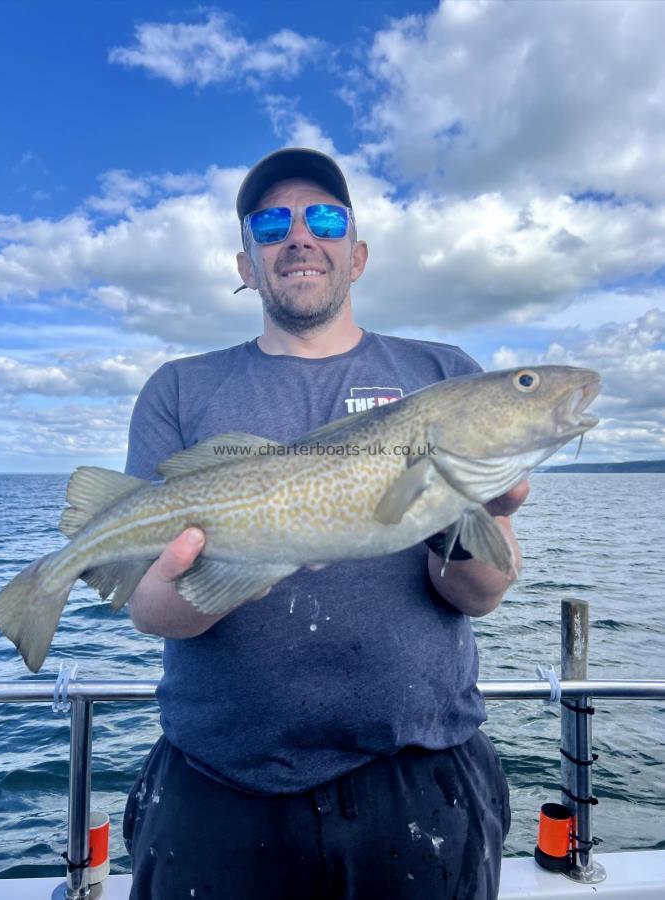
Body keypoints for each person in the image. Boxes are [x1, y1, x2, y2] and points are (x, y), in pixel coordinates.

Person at [122, 147, 529, 899]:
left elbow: (480, 595)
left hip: (422, 773)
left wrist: (451, 515)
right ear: (246, 262)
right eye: (272, 222)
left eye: (325, 218)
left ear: (358, 253)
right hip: (219, 785)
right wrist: (243, 561)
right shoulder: (179, 387)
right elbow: (152, 613)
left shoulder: (443, 376)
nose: (299, 235)